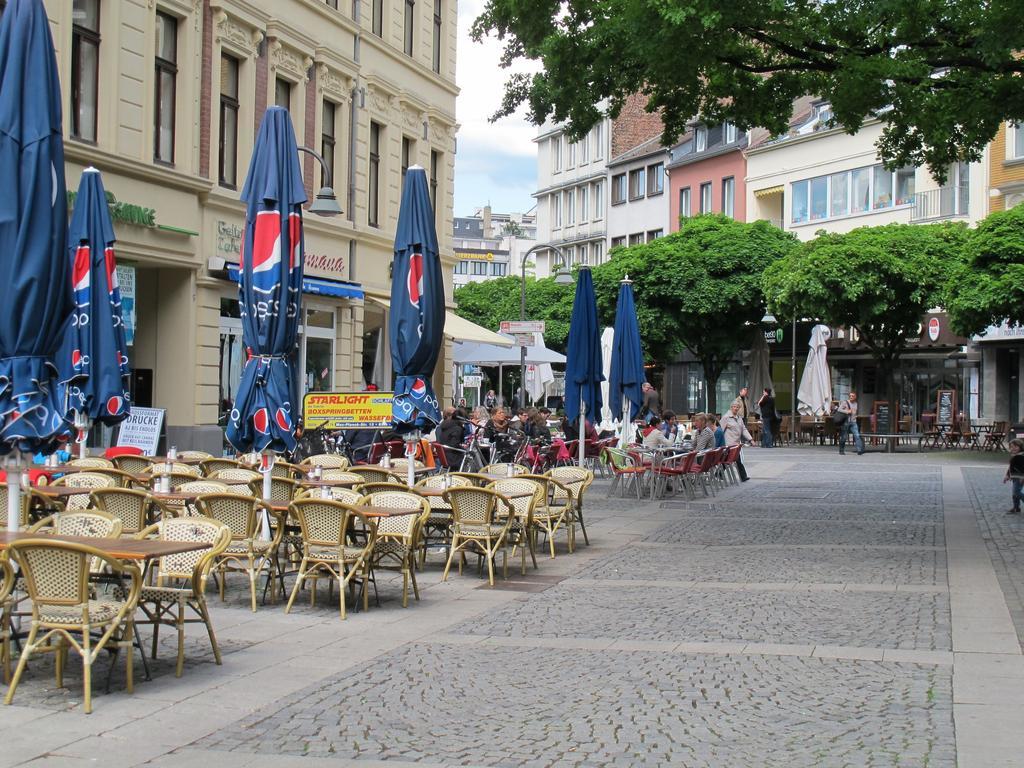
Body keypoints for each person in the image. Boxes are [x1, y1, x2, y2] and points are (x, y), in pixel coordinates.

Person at [721, 401, 752, 481]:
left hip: (736, 444)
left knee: (727, 460)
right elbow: (720, 430)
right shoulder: (726, 417)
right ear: (731, 407)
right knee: (736, 460)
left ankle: (718, 474)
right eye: (734, 406)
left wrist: (750, 439)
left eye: (737, 407)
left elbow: (743, 430)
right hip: (729, 444)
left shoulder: (739, 418)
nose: (736, 408)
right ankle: (743, 477)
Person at [836, 391, 865, 456]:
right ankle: (841, 450)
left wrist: (855, 415)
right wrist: (847, 411)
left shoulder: (856, 404)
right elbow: (839, 410)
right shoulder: (845, 402)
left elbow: (854, 412)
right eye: (850, 396)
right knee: (844, 437)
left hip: (853, 422)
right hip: (846, 422)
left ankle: (859, 450)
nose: (851, 397)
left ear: (855, 397)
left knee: (857, 436)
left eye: (852, 396)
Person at [1004, 438, 1024, 515]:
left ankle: (1016, 507)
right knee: (1014, 493)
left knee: (1016, 492)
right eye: (1011, 447)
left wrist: (1023, 477)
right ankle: (1016, 507)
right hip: (1015, 477)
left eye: (1016, 446)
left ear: (1020, 447)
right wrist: (1007, 475)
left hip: (1020, 477)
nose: (1013, 448)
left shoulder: (1021, 456)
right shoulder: (1014, 456)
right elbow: (1010, 467)